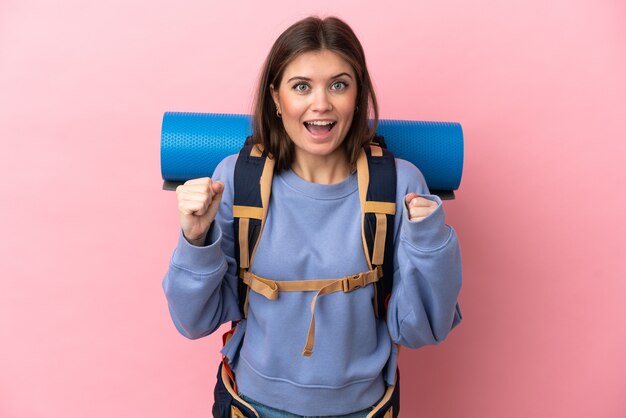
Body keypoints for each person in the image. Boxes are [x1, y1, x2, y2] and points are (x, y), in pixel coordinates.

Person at [163, 16, 462, 418]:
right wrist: (196, 242)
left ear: (358, 96)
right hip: (250, 405)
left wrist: (431, 244)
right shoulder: (235, 179)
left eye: (338, 84)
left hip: (364, 408)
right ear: (275, 97)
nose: (321, 103)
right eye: (301, 86)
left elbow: (420, 329)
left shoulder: (400, 184)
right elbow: (193, 321)